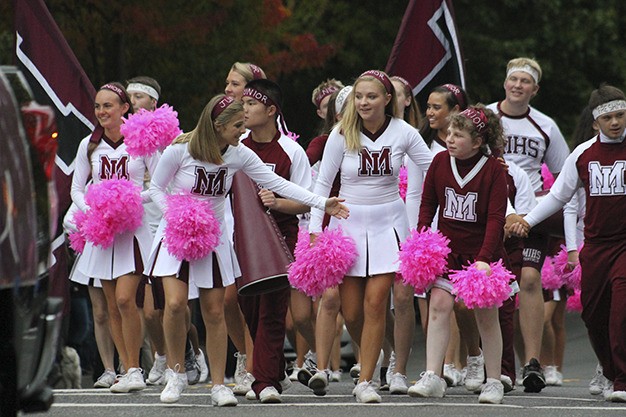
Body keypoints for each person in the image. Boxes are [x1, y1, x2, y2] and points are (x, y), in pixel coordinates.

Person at [145, 94, 348, 405]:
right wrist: (175, 214)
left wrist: (322, 203)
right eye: (238, 125)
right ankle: (176, 372)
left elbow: (277, 182)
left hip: (212, 238)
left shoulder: (238, 155)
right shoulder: (180, 151)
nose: (243, 131)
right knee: (173, 304)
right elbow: (157, 188)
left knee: (214, 312)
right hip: (176, 235)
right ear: (217, 125)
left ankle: (218, 385)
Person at [310, 70, 433, 403]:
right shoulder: (341, 133)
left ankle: (365, 380)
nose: (364, 102)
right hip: (347, 225)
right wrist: (313, 229)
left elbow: (436, 166)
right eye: (359, 97)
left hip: (388, 224)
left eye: (371, 96)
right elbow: (323, 183)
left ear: (387, 100)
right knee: (351, 312)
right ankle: (372, 362)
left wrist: (482, 165)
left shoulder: (404, 132)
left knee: (377, 302)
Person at [510, 84, 626, 402]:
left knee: (621, 310)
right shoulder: (583, 154)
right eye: (609, 118)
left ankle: (622, 380)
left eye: (620, 115)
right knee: (594, 315)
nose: (615, 123)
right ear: (595, 122)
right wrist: (527, 221)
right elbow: (559, 197)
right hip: (596, 245)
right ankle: (609, 369)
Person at [407, 105, 509, 404]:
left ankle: (493, 381)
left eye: (458, 135)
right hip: (448, 251)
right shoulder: (440, 162)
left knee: (486, 317)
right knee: (438, 305)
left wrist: (484, 258)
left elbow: (496, 218)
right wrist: (424, 239)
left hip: (481, 253)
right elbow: (428, 204)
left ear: (477, 142)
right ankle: (432, 375)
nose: (449, 138)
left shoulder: (493, 170)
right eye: (449, 133)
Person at [486, 57, 570, 393]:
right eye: (514, 79)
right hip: (491, 207)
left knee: (530, 278)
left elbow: (566, 175)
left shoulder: (546, 126)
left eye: (526, 81)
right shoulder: (487, 117)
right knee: (496, 286)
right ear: (505, 83)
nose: (518, 86)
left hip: (530, 213)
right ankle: (499, 362)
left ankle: (533, 363)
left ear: (535, 89)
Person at [70, 82, 160, 393]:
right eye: (97, 106)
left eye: (108, 106)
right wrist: (94, 209)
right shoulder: (89, 145)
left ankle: (134, 367)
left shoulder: (141, 142)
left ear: (125, 109)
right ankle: (127, 369)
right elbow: (76, 189)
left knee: (125, 299)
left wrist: (130, 201)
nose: (101, 112)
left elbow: (160, 185)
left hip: (132, 232)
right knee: (111, 305)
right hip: (103, 232)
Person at [223, 61, 266, 395]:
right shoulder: (223, 128)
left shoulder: (260, 132)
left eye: (235, 84)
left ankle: (262, 361)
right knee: (227, 298)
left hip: (259, 227)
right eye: (227, 84)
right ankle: (243, 356)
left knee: (256, 298)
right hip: (224, 220)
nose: (228, 90)